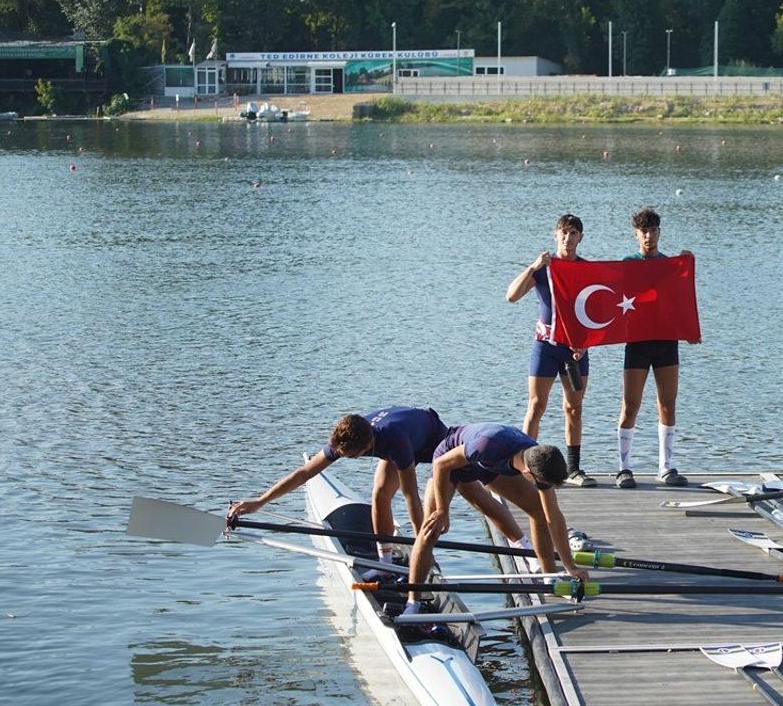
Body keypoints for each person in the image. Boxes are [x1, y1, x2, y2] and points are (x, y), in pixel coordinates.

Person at [227, 407, 530, 588]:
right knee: (380, 494)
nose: (347, 459)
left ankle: (522, 546)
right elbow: (304, 473)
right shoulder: (345, 440)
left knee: (471, 493)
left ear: (367, 444)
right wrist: (259, 502)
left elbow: (411, 496)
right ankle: (384, 560)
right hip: (401, 437)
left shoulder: (395, 441)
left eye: (354, 457)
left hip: (435, 442)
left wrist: (420, 548)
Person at [412, 423, 590, 614]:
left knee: (538, 510)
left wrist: (569, 566)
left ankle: (549, 576)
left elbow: (552, 517)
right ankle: (412, 600)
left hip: (487, 463)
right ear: (528, 473)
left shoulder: (539, 458)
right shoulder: (487, 444)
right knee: (430, 529)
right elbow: (441, 465)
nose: (543, 486)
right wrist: (441, 511)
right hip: (450, 459)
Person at [506, 214, 594, 487]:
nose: (568, 239)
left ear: (581, 238)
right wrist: (532, 267)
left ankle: (574, 469)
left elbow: (599, 312)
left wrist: (587, 343)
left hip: (575, 349)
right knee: (536, 405)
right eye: (564, 233)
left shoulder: (587, 270)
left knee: (574, 408)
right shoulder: (544, 268)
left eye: (574, 234)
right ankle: (523, 466)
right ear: (555, 235)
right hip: (546, 346)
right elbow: (511, 296)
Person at [615, 208, 696, 489]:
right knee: (631, 405)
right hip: (637, 343)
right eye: (643, 232)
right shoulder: (628, 263)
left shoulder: (671, 265)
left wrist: (689, 331)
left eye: (653, 231)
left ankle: (666, 466)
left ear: (659, 233)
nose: (648, 236)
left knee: (668, 403)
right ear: (636, 235)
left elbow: (681, 299)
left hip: (666, 343)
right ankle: (624, 468)